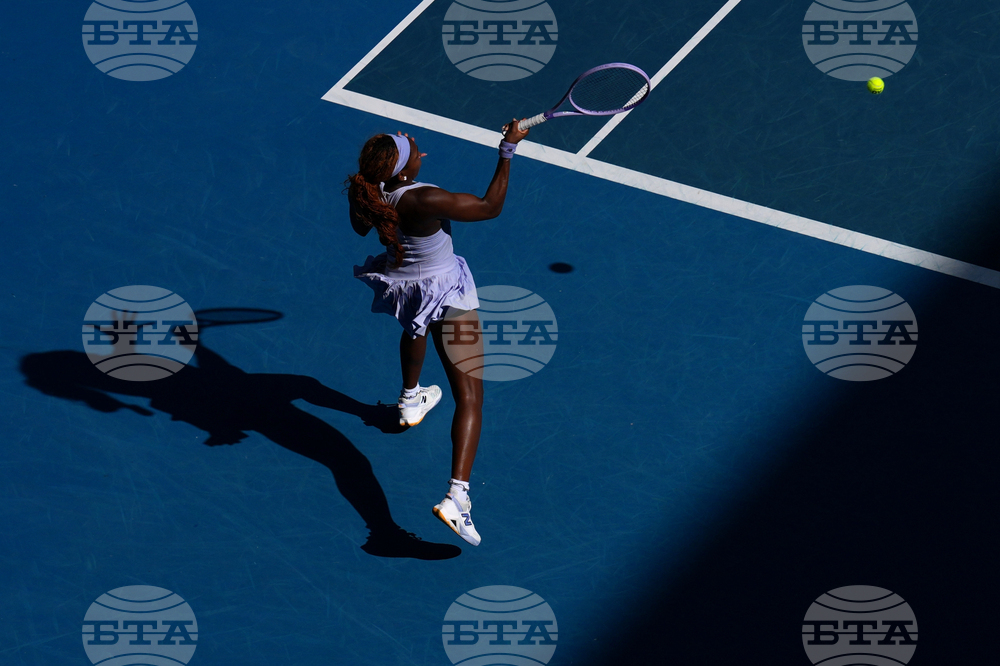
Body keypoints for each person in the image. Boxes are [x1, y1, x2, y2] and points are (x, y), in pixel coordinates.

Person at [346, 120, 529, 546]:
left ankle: (410, 399)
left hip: (406, 283)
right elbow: (489, 207)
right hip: (445, 291)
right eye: (411, 150)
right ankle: (457, 497)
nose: (417, 147)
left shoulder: (366, 191)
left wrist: (401, 154)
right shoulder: (424, 198)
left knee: (416, 326)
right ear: (403, 170)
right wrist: (507, 150)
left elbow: (360, 228)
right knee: (470, 396)